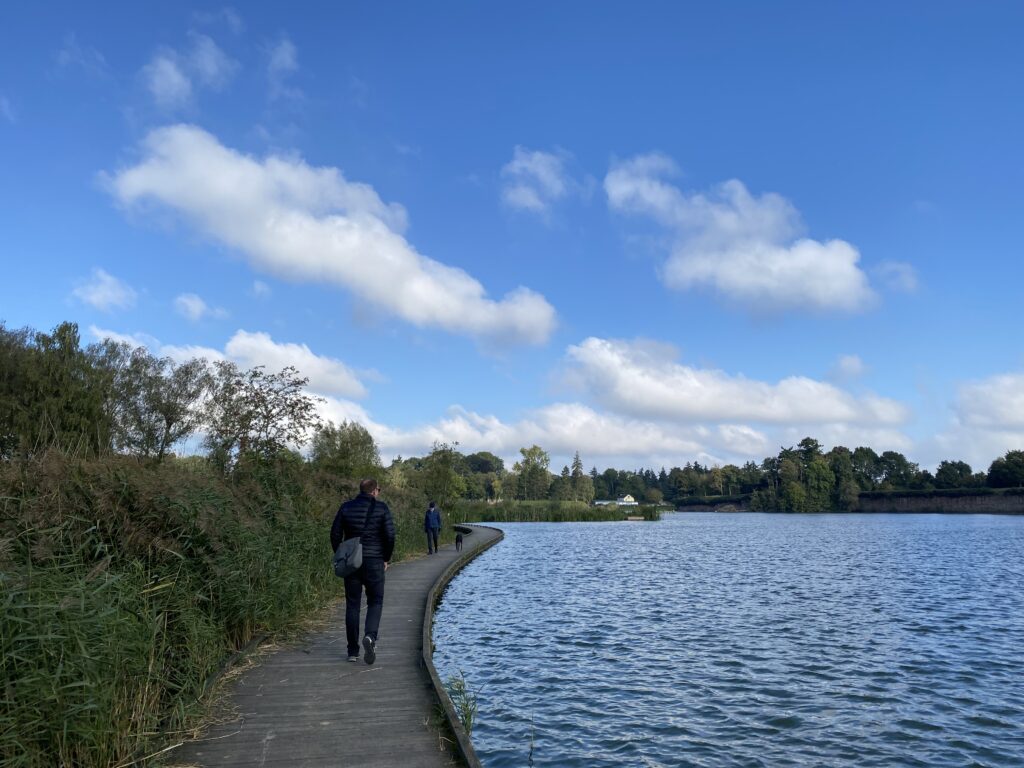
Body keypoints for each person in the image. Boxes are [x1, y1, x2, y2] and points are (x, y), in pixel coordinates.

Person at [330, 478, 395, 664]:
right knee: (375, 601)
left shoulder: (346, 507)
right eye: (379, 490)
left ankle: (352, 651)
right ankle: (370, 637)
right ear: (374, 491)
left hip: (352, 563)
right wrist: (386, 558)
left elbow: (334, 534)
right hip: (374, 561)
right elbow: (390, 535)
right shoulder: (382, 508)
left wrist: (343, 556)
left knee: (352, 605)